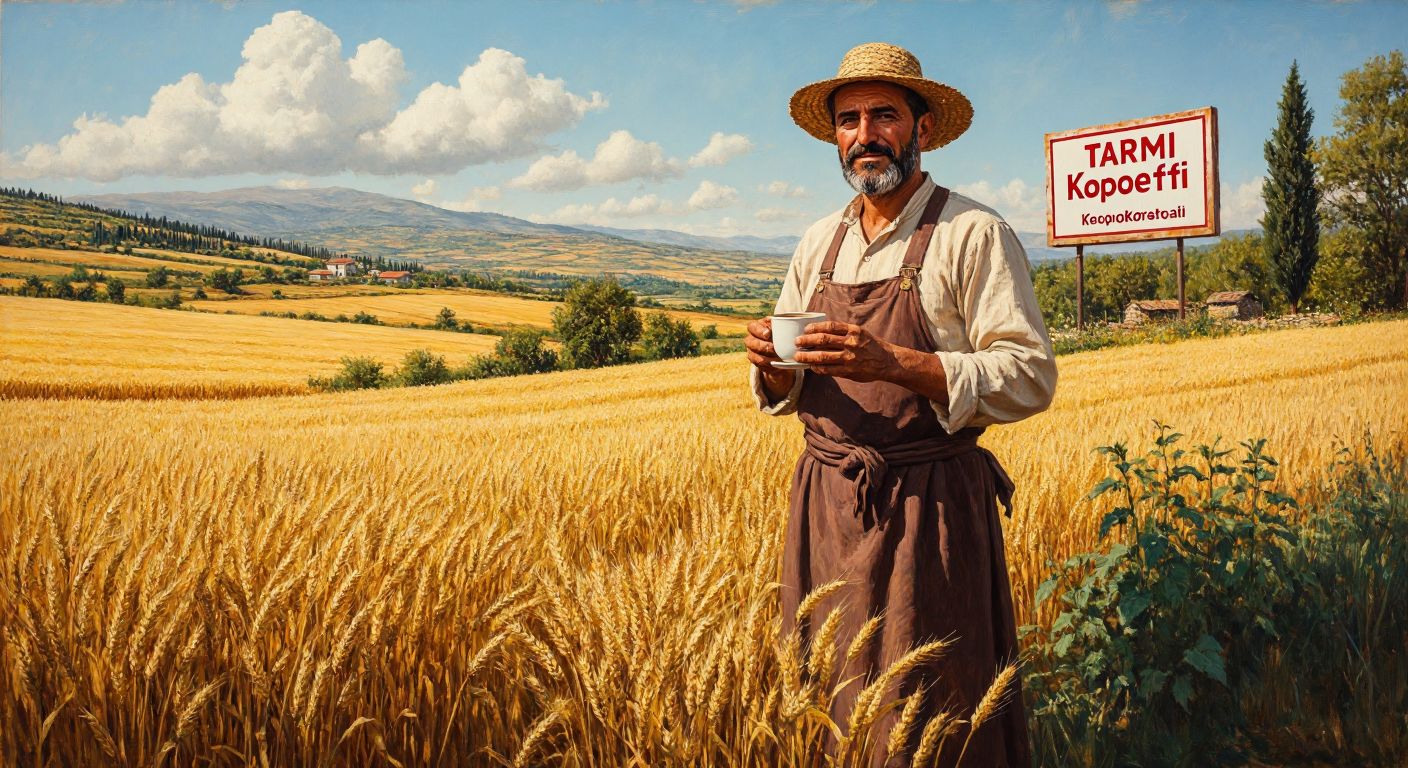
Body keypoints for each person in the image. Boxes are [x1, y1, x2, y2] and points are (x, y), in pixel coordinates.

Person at [745, 42, 1057, 768]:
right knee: (828, 697)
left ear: (921, 126)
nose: (865, 134)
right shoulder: (818, 243)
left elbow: (1030, 374)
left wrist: (898, 364)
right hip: (825, 507)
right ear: (834, 137)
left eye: (884, 114)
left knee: (930, 711)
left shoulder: (972, 233)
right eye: (848, 119)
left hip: (928, 513)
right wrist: (769, 368)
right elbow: (788, 387)